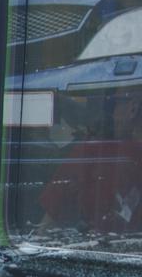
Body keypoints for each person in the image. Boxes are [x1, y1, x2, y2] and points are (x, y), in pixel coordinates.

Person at [37, 90, 142, 235]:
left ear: (134, 108)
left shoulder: (89, 151)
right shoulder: (89, 151)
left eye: (115, 105)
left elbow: (45, 225)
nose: (112, 114)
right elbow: (50, 216)